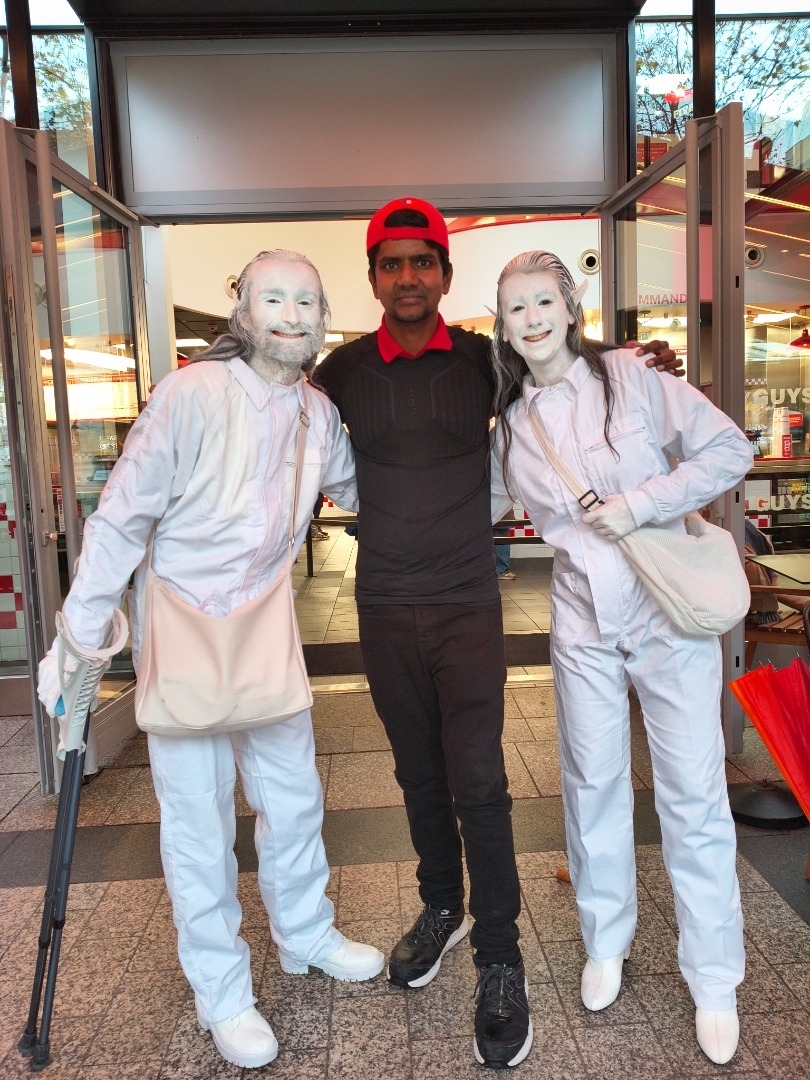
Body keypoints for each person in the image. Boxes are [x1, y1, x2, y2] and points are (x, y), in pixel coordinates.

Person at [312, 196, 681, 1070]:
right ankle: (443, 905)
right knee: (417, 772)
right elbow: (272, 409)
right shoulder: (342, 371)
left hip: (469, 601)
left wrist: (638, 363)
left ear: (445, 274)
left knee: (479, 781)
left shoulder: (485, 361)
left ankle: (500, 956)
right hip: (383, 603)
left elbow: (563, 367)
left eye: (423, 261)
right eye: (392, 263)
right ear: (374, 277)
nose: (408, 276)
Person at [37, 249, 384, 1071]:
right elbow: (123, 517)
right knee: (198, 822)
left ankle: (305, 933)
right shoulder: (189, 395)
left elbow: (365, 490)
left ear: (323, 317)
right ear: (244, 312)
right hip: (184, 621)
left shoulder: (318, 414)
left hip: (265, 622)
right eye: (275, 299)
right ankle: (222, 992)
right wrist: (77, 639)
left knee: (293, 798)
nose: (292, 315)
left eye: (307, 301)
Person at [488, 249, 752, 1066]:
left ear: (571, 309)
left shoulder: (635, 380)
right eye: (515, 308)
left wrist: (640, 503)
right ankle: (607, 941)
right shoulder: (511, 428)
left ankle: (715, 978)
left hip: (666, 611)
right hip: (582, 620)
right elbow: (477, 504)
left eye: (543, 302)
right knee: (591, 783)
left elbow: (728, 450)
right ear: (502, 328)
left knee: (694, 793)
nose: (532, 319)